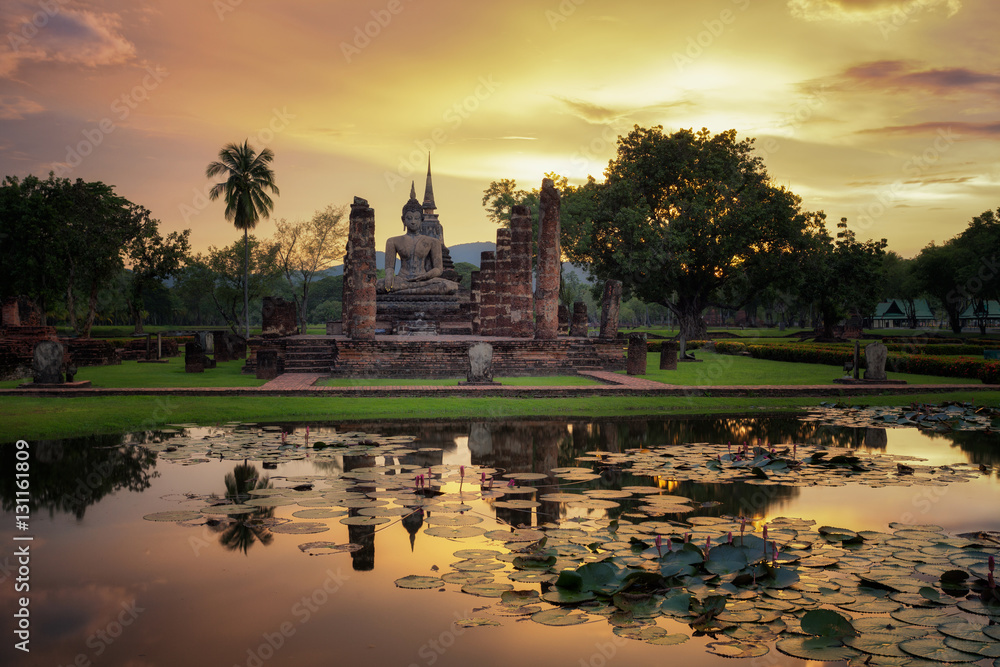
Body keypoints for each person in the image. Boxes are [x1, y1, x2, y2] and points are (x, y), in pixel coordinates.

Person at [376, 192, 458, 295]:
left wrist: (426, 276)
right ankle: (410, 291)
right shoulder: (393, 241)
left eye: (416, 218)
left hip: (424, 280)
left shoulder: (433, 242)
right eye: (409, 218)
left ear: (422, 220)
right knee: (378, 285)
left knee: (451, 286)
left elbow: (438, 269)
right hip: (402, 280)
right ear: (403, 220)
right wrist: (389, 276)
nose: (413, 221)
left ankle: (402, 293)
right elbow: (389, 267)